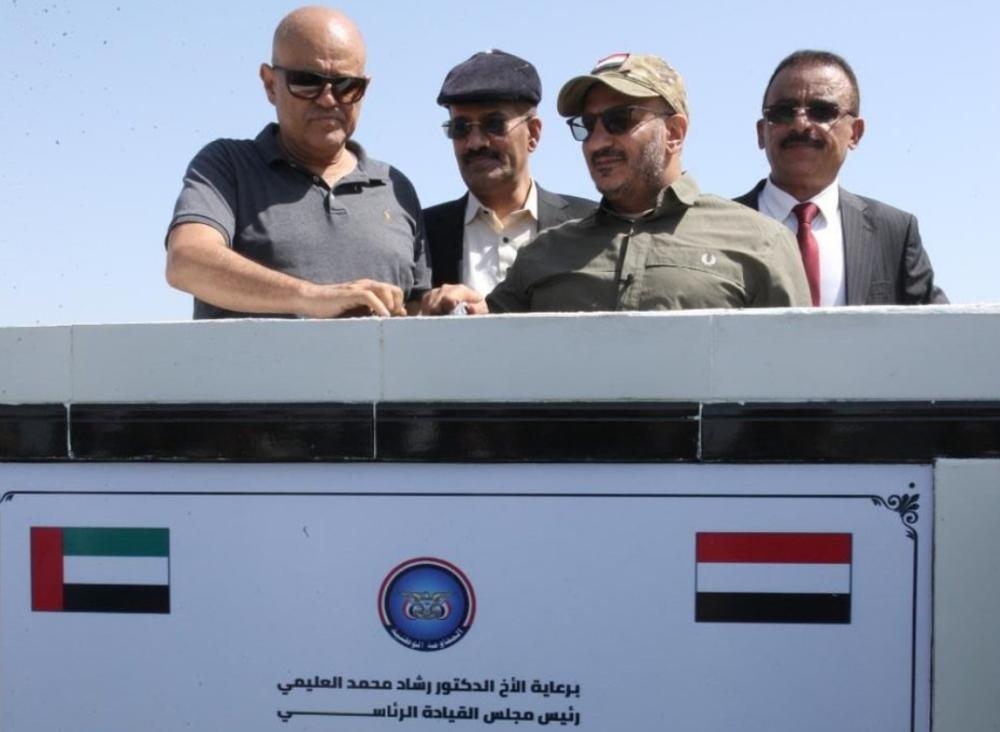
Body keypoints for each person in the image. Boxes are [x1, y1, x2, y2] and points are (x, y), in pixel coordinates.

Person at [421, 53, 809, 314]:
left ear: (674, 132)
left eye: (619, 121)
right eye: (587, 125)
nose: (598, 141)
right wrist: (461, 309)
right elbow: (491, 351)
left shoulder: (761, 243)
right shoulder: (543, 253)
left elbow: (798, 381)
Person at [166, 6, 430, 319]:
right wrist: (312, 298)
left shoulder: (396, 188)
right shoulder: (228, 166)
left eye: (346, 85)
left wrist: (446, 306)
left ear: (364, 89)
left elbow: (415, 312)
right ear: (269, 84)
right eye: (307, 82)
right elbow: (187, 260)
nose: (328, 99)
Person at [736, 50, 947, 306]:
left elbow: (941, 326)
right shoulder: (716, 229)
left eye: (822, 111)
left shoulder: (894, 233)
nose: (800, 124)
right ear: (761, 133)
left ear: (855, 133)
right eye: (782, 112)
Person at [423, 50, 595, 290]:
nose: (475, 143)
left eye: (494, 124)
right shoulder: (421, 236)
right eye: (460, 128)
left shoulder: (590, 227)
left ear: (533, 133)